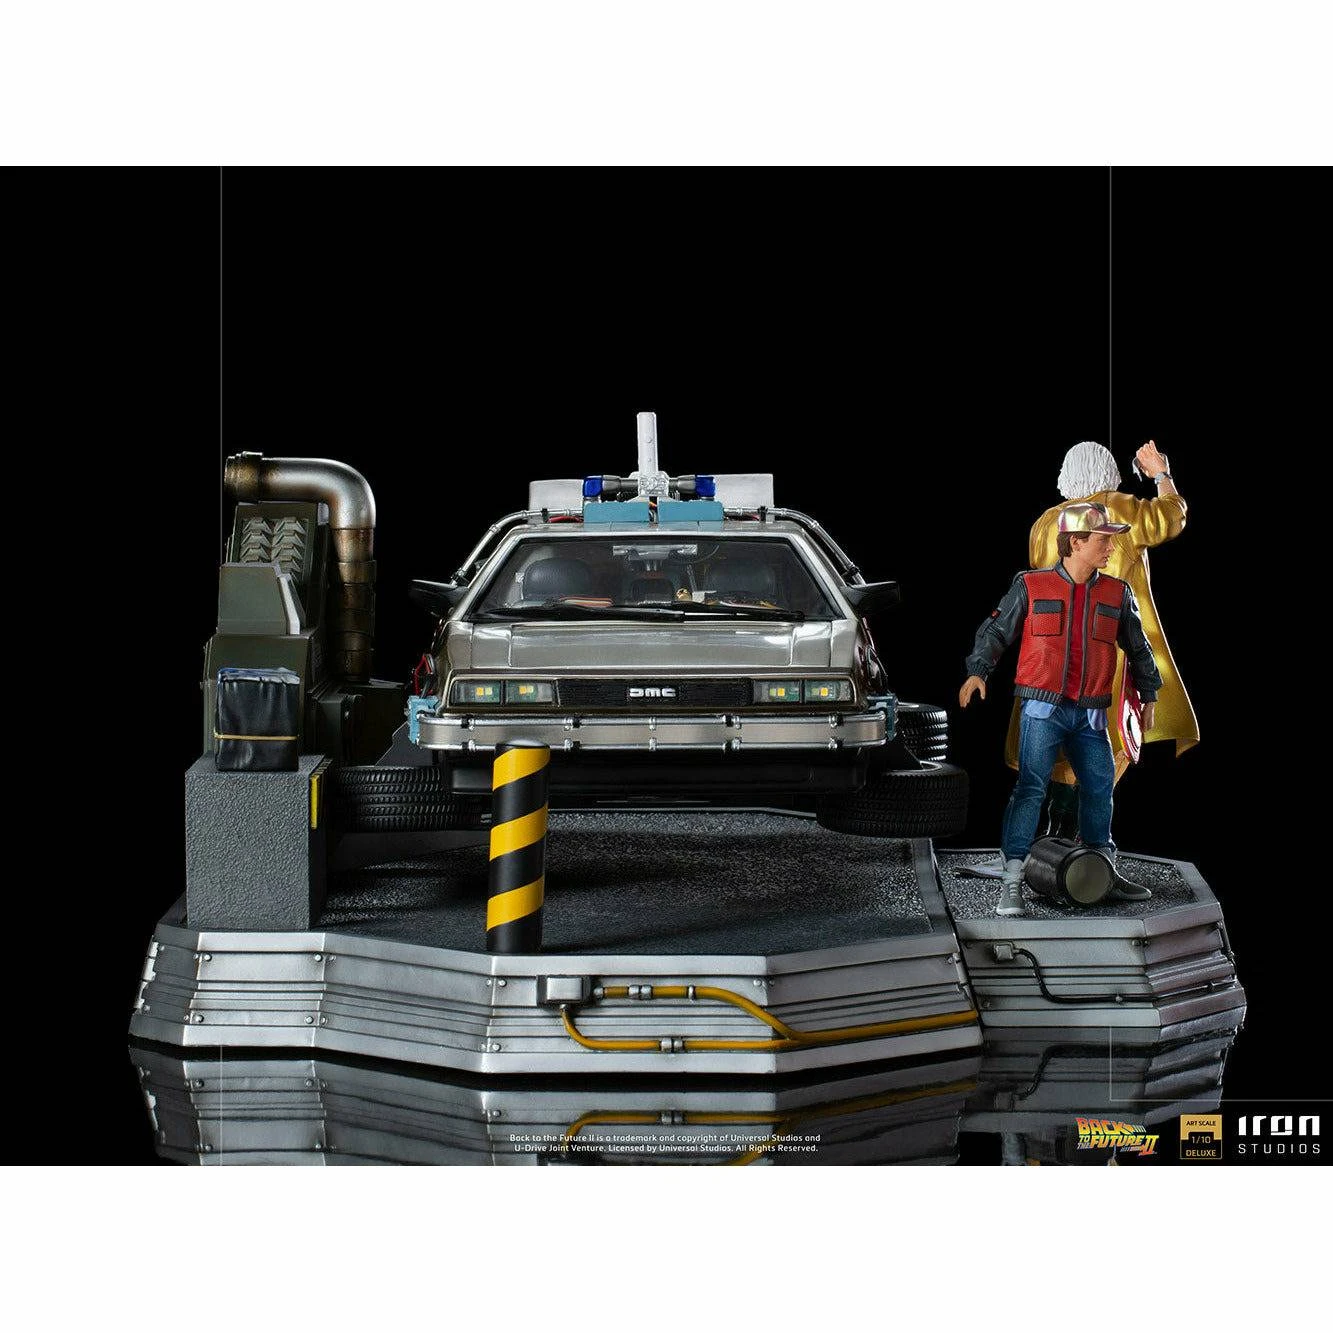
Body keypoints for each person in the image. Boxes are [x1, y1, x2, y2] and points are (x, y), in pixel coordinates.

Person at [960, 502, 1164, 916]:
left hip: (1090, 715)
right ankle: (1012, 879)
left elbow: (1139, 647)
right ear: (1076, 542)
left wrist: (1149, 694)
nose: (1111, 548)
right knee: (1030, 789)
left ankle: (1102, 868)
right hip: (1043, 710)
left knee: (1100, 788)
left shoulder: (1117, 593)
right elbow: (996, 631)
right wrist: (978, 671)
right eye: (1103, 540)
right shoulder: (1031, 586)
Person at [1005, 439, 1198, 836]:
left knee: (1057, 750)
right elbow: (1171, 516)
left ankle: (1058, 834)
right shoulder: (1119, 509)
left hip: (1050, 661)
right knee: (1107, 748)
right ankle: (1080, 843)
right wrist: (1160, 473)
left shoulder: (1045, 523)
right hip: (1108, 658)